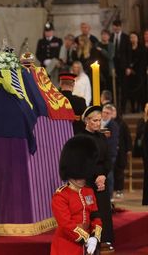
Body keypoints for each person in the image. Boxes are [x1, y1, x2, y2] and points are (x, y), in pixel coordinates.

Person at [51, 134, 102, 255]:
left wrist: (95, 236)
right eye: (78, 176)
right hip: (67, 246)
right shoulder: (61, 196)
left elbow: (95, 216)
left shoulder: (88, 191)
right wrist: (86, 238)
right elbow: (66, 225)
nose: (82, 179)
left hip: (89, 245)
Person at [81, 106, 114, 252]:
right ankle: (91, 242)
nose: (98, 123)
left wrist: (103, 176)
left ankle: (105, 240)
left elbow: (108, 158)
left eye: (100, 120)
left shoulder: (101, 137)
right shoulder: (81, 138)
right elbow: (84, 161)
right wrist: (96, 177)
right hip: (89, 181)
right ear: (87, 121)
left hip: (102, 181)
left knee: (104, 212)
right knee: (91, 214)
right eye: (95, 120)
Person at [110, 20, 131, 113]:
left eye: (118, 26)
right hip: (114, 67)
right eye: (114, 26)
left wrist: (128, 67)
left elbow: (129, 53)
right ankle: (115, 107)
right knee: (114, 87)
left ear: (121, 26)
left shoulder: (126, 37)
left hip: (123, 67)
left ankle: (123, 108)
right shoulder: (111, 37)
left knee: (124, 88)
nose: (116, 28)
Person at [113, 107, 132, 199]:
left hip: (121, 152)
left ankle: (119, 190)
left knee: (119, 172)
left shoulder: (122, 123)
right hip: (110, 152)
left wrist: (129, 149)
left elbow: (127, 137)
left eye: (112, 111)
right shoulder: (104, 123)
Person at [124, 32, 146, 113]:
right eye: (131, 37)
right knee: (131, 91)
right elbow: (125, 59)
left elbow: (143, 61)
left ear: (137, 38)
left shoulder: (142, 48)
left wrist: (136, 71)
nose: (132, 39)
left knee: (140, 92)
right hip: (129, 73)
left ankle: (139, 107)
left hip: (139, 73)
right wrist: (128, 68)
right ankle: (133, 107)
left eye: (134, 37)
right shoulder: (127, 48)